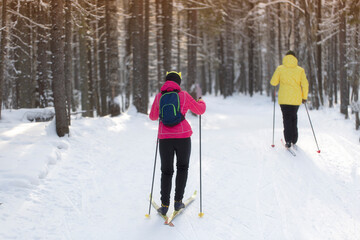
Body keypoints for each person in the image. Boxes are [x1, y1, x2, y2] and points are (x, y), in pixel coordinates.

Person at [149, 71, 206, 215]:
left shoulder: (159, 96)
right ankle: (178, 202)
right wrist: (201, 101)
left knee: (166, 171)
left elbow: (152, 116)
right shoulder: (184, 95)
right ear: (178, 82)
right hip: (183, 137)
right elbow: (200, 110)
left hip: (164, 138)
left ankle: (164, 205)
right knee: (182, 168)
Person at [270, 50, 309, 148]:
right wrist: (304, 97)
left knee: (286, 118)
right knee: (294, 117)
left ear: (286, 57)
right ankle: (294, 139)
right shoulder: (300, 70)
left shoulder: (280, 68)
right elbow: (305, 84)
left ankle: (288, 140)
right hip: (296, 99)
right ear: (295, 58)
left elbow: (273, 82)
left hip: (284, 99)